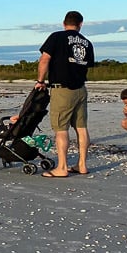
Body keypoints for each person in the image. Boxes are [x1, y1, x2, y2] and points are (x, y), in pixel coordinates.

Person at [34, 11, 95, 177]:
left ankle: (62, 167)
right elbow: (86, 64)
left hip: (62, 89)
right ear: (80, 24)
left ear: (64, 23)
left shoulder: (56, 37)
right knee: (81, 127)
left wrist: (40, 80)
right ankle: (82, 165)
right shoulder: (87, 43)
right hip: (81, 89)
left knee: (61, 129)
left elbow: (45, 59)